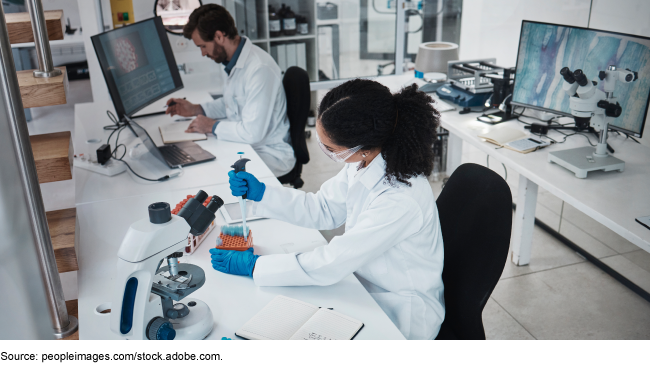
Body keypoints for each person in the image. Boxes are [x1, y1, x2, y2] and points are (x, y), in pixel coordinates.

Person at [210, 80, 446, 340]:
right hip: (361, 285)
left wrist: (257, 267)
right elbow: (323, 208)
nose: (326, 153)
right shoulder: (366, 160)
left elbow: (333, 261)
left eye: (331, 149)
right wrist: (263, 193)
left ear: (363, 148)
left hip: (400, 313)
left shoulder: (400, 198)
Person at [165, 4, 295, 177]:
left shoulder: (259, 68)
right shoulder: (233, 61)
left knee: (206, 173)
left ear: (219, 36)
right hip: (248, 146)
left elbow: (252, 133)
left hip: (268, 154)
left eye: (203, 46)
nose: (203, 53)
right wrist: (196, 109)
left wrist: (212, 126)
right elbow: (233, 102)